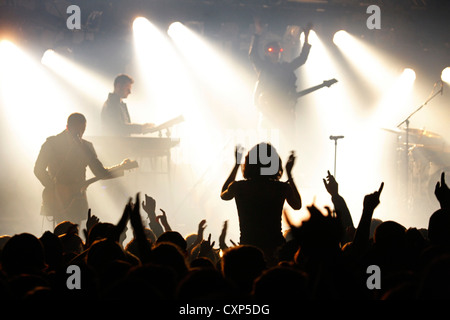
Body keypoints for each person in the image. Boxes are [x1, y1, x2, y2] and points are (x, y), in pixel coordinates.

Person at [34, 113, 126, 226]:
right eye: (76, 130)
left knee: (74, 231)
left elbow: (99, 172)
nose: (80, 134)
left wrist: (121, 168)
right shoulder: (52, 144)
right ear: (67, 127)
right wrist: (54, 187)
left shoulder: (86, 147)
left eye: (82, 130)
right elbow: (38, 169)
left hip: (77, 198)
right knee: (61, 231)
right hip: (58, 198)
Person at [220, 143, 302, 264]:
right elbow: (297, 205)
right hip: (275, 247)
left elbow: (223, 194)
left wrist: (237, 164)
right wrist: (289, 173)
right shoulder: (281, 188)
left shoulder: (239, 187)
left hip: (249, 247)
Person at [249, 19, 312, 147]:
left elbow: (302, 59)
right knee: (266, 144)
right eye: (273, 51)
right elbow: (253, 55)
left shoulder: (285, 68)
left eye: (278, 51)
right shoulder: (263, 68)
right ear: (267, 52)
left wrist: (306, 38)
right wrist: (257, 34)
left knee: (288, 145)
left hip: (285, 113)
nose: (276, 54)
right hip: (268, 113)